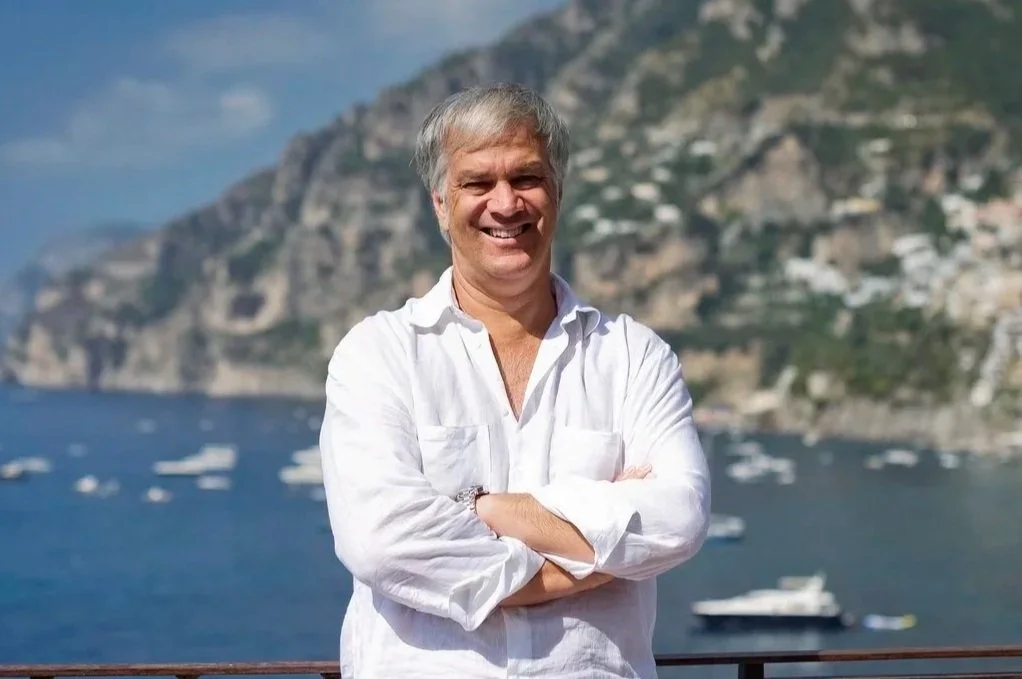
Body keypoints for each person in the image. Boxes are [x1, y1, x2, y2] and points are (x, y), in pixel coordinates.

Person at [319, 82, 711, 678]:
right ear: (440, 205)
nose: (505, 204)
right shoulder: (378, 355)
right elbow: (383, 541)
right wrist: (596, 553)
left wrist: (486, 508)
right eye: (477, 183)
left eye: (526, 178)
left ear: (557, 192)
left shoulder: (634, 356)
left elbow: (678, 519)